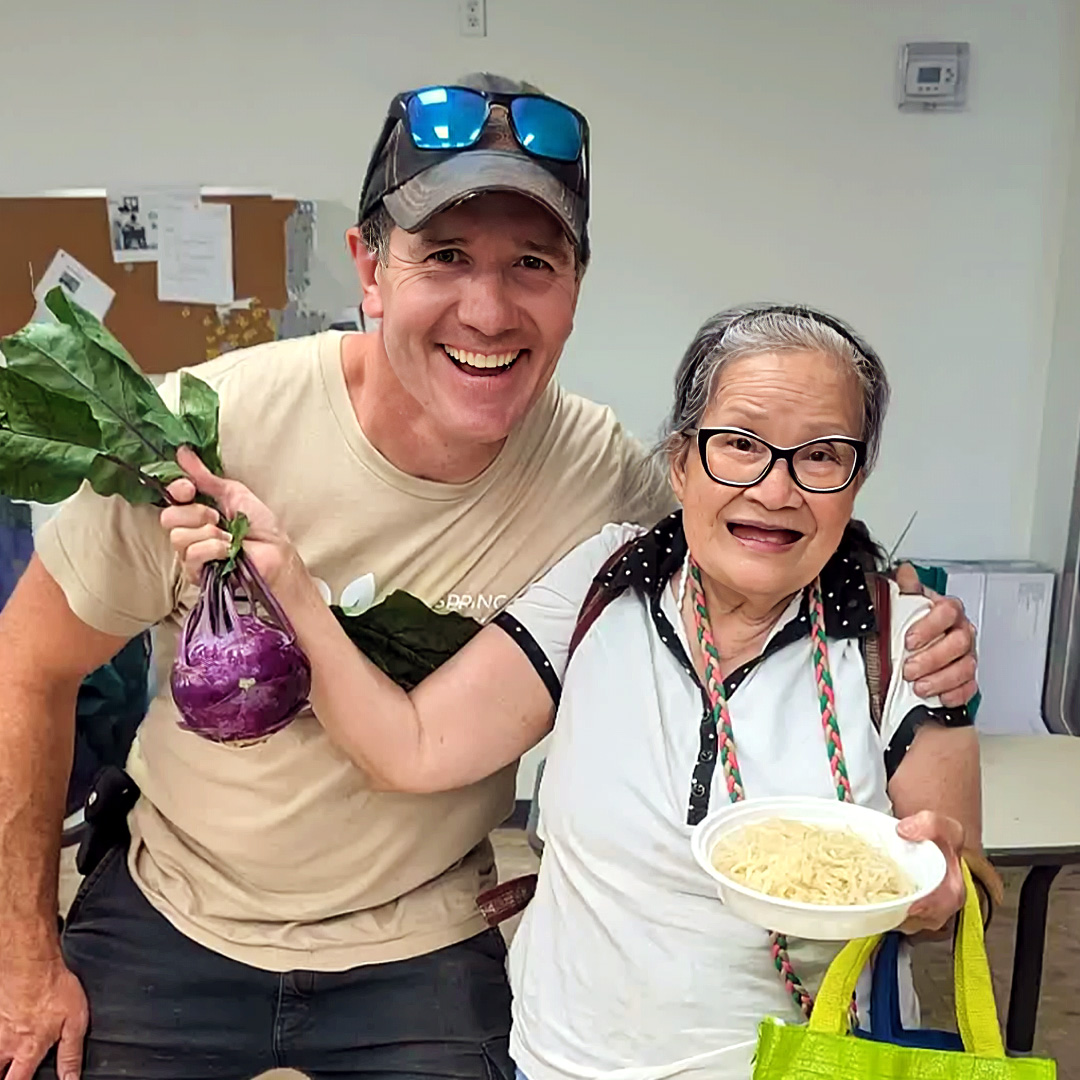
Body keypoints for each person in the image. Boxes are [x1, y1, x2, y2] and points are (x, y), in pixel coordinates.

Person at [0, 71, 976, 1080]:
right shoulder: (199, 436)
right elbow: (24, 669)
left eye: (532, 264)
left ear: (574, 290)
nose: (488, 308)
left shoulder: (603, 480)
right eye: (446, 256)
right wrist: (21, 955)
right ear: (369, 268)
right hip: (177, 904)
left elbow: (754, 521)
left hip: (421, 935)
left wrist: (897, 592)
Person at [166, 303, 994, 1080]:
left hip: (802, 1061)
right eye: (739, 443)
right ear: (679, 461)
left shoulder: (903, 638)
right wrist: (294, 589)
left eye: (821, 455)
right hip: (565, 1062)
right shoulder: (602, 584)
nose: (775, 489)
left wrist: (943, 888)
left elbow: (966, 894)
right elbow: (413, 749)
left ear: (853, 481)